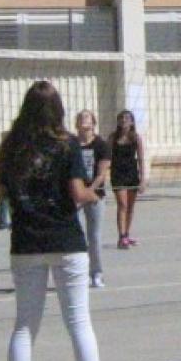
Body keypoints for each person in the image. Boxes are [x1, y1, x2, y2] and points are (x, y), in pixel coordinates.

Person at [0, 81, 126, 361]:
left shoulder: (12, 145)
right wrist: (94, 197)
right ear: (58, 110)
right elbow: (78, 193)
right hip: (65, 241)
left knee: (24, 326)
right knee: (79, 323)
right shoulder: (65, 143)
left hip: (26, 243)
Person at [74, 110, 112, 287]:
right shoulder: (72, 144)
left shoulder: (101, 145)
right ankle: (82, 273)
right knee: (77, 236)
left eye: (87, 117)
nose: (84, 119)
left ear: (93, 122)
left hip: (96, 195)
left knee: (94, 237)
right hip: (75, 196)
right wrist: (77, 194)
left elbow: (102, 174)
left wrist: (88, 191)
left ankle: (97, 273)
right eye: (81, 117)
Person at [109, 110, 148, 249]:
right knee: (122, 205)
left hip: (132, 174)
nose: (124, 120)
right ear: (118, 122)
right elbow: (107, 158)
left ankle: (127, 233)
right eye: (121, 118)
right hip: (117, 174)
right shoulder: (113, 138)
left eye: (127, 118)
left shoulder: (136, 138)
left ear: (132, 122)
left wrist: (143, 179)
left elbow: (142, 159)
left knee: (130, 207)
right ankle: (121, 237)